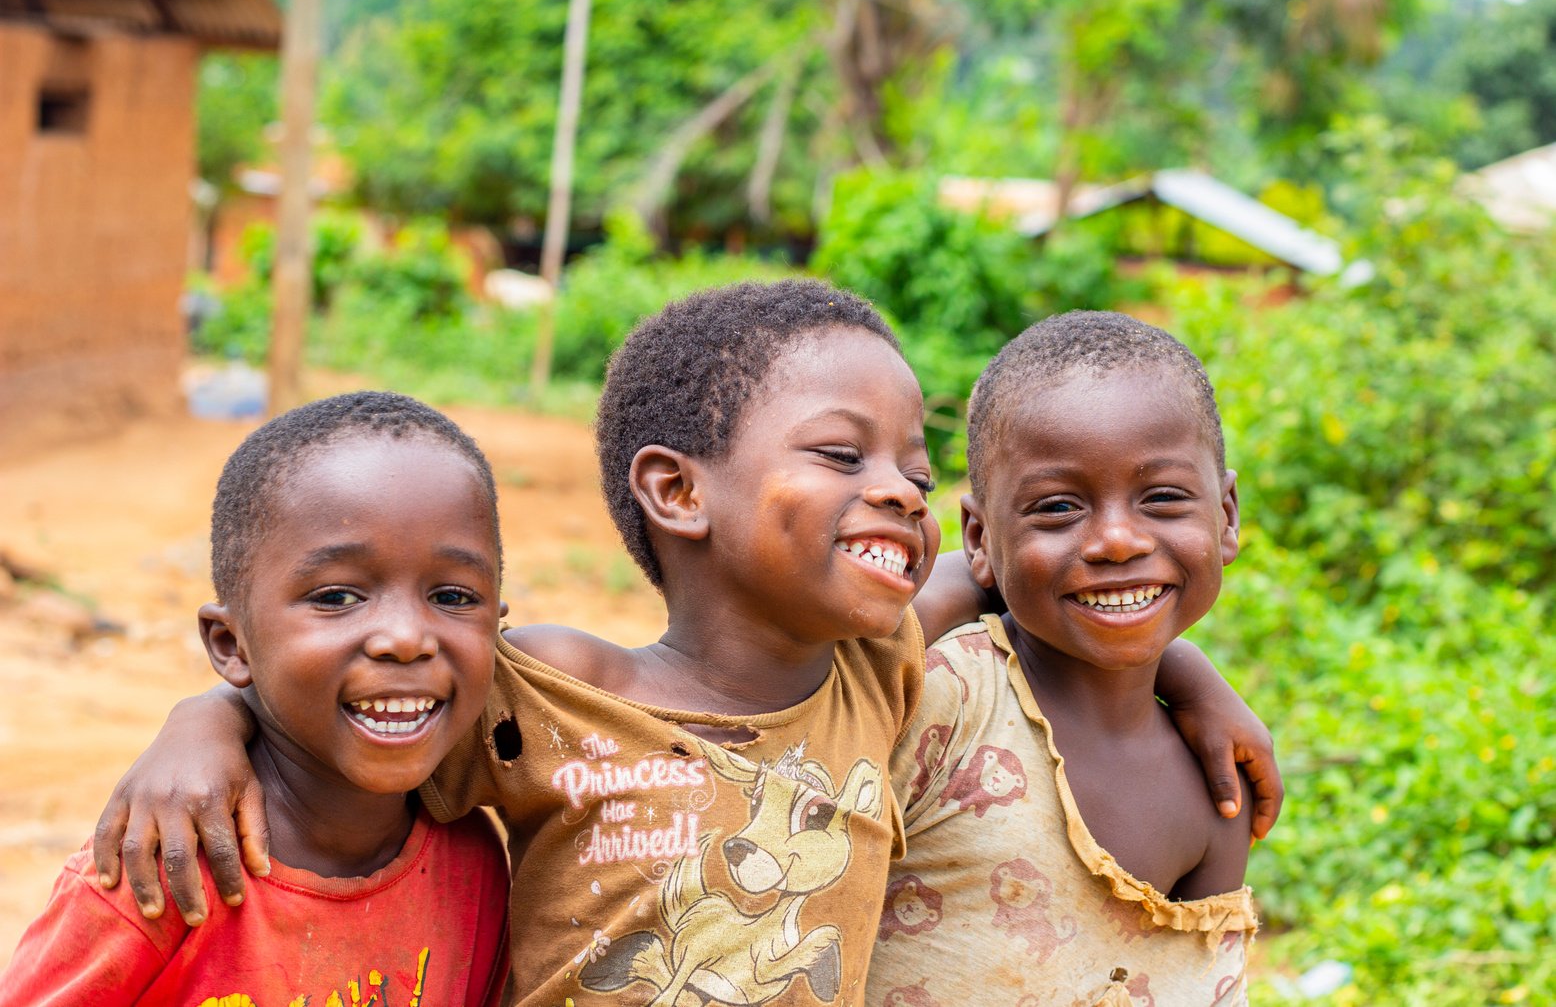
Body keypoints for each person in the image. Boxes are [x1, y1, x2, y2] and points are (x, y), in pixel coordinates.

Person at [85, 283, 1278, 1006]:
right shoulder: (553, 689)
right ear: (676, 490)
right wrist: (207, 721)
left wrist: (1187, 668)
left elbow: (1033, 572)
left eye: (915, 470)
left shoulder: (874, 676)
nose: (902, 494)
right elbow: (369, 688)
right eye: (841, 456)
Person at [0, 393, 512, 1006]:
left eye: (454, 597)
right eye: (337, 597)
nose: (406, 638)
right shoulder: (165, 867)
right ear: (230, 643)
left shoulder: (473, 865)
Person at [869, 311, 1259, 1006]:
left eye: (1162, 497)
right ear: (980, 536)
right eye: (1057, 507)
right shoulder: (942, 700)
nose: (1116, 540)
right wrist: (1187, 664)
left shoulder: (1216, 782)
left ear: (1226, 514)